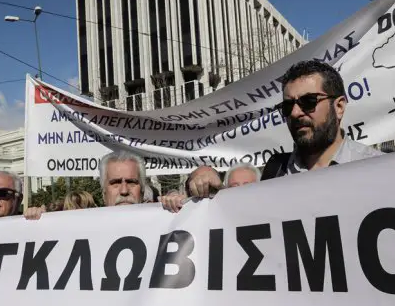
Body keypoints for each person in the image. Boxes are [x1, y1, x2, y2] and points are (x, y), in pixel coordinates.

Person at [160, 59, 382, 211]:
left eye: (308, 102)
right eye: (287, 106)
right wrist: (211, 195)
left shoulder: (378, 168)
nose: (295, 113)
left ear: (340, 106)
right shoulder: (274, 172)